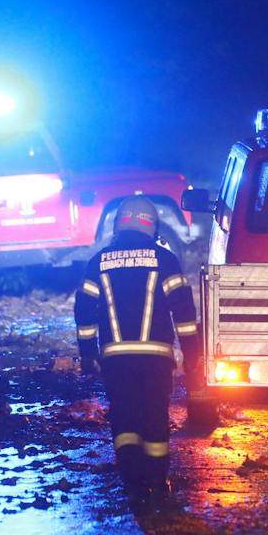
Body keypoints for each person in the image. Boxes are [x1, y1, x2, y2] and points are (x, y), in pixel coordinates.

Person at [74, 196, 200, 502]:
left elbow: (84, 310)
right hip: (156, 358)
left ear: (118, 225)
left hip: (115, 359)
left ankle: (132, 481)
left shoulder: (99, 262)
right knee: (155, 415)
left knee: (124, 416)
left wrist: (88, 353)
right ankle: (157, 483)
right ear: (152, 226)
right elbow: (183, 310)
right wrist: (192, 353)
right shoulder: (165, 259)